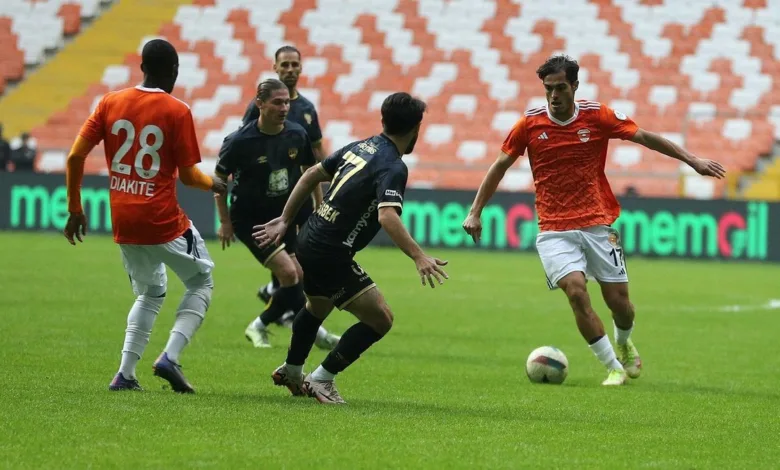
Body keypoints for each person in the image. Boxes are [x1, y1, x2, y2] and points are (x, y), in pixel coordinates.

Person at [462, 54, 726, 386]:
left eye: (560, 88)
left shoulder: (597, 115)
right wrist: (475, 211)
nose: (554, 96)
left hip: (598, 223)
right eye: (548, 89)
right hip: (554, 228)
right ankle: (613, 366)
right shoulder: (529, 124)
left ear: (574, 85)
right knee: (575, 292)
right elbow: (499, 166)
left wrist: (692, 160)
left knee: (621, 305)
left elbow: (644, 137)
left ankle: (623, 339)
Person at [253, 92, 449, 404]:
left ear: (384, 120)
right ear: (416, 129)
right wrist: (418, 255)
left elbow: (310, 174)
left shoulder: (361, 146)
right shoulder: (394, 166)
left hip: (310, 240)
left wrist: (285, 220)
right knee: (381, 319)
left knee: (317, 308)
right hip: (330, 252)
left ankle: (292, 369)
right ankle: (321, 379)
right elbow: (387, 216)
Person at [63, 39, 227, 393]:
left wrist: (75, 209)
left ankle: (125, 374)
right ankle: (170, 356)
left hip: (124, 220)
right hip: (163, 219)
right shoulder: (176, 110)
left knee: (151, 292)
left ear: (142, 68)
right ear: (173, 71)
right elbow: (188, 175)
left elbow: (75, 157)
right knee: (201, 282)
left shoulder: (110, 102)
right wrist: (214, 183)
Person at [215, 78, 339, 350]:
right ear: (260, 103)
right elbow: (219, 182)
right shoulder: (239, 141)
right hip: (251, 220)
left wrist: (318, 209)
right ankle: (261, 325)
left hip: (284, 216)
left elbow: (312, 173)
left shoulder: (297, 134)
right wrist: (224, 221)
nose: (284, 107)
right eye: (277, 102)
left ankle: (312, 333)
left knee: (300, 275)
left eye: (286, 102)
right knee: (289, 274)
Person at [243, 45, 327, 312]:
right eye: (285, 65)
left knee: (302, 258)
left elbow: (316, 154)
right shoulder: (258, 106)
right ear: (275, 67)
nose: (290, 69)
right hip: (268, 198)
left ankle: (277, 299)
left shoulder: (306, 109)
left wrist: (322, 194)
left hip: (297, 194)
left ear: (301, 67)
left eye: (294, 64)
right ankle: (281, 306)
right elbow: (242, 144)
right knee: (289, 262)